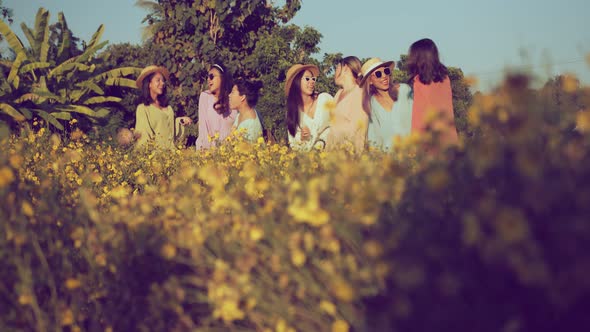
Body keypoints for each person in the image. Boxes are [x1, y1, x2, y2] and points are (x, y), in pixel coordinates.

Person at [407, 38, 458, 144]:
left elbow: (419, 118)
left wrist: (414, 146)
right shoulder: (445, 79)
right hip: (449, 140)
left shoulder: (419, 82)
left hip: (430, 144)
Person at [134, 65, 192, 149]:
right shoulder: (143, 109)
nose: (162, 83)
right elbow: (144, 137)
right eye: (158, 80)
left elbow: (170, 132)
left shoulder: (168, 108)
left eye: (163, 80)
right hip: (156, 158)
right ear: (149, 84)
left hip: (172, 156)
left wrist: (180, 121)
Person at [361, 57, 413, 151]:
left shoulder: (404, 90)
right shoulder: (371, 105)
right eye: (378, 74)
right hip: (390, 159)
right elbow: (373, 138)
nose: (384, 76)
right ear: (370, 81)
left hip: (414, 153)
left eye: (386, 71)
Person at [284, 64, 333, 151]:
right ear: (296, 82)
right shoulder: (292, 113)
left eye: (313, 78)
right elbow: (294, 146)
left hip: (335, 157)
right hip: (312, 162)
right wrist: (303, 139)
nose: (312, 81)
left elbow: (341, 123)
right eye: (307, 79)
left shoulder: (324, 99)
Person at [325, 56, 367, 153]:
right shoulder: (338, 94)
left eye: (337, 68)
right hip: (332, 156)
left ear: (346, 68)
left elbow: (358, 131)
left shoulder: (359, 93)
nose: (334, 74)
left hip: (348, 157)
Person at [195, 63, 238, 150]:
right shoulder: (205, 97)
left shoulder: (232, 98)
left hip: (229, 153)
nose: (208, 80)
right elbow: (203, 128)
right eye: (207, 77)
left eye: (211, 76)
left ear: (222, 78)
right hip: (208, 152)